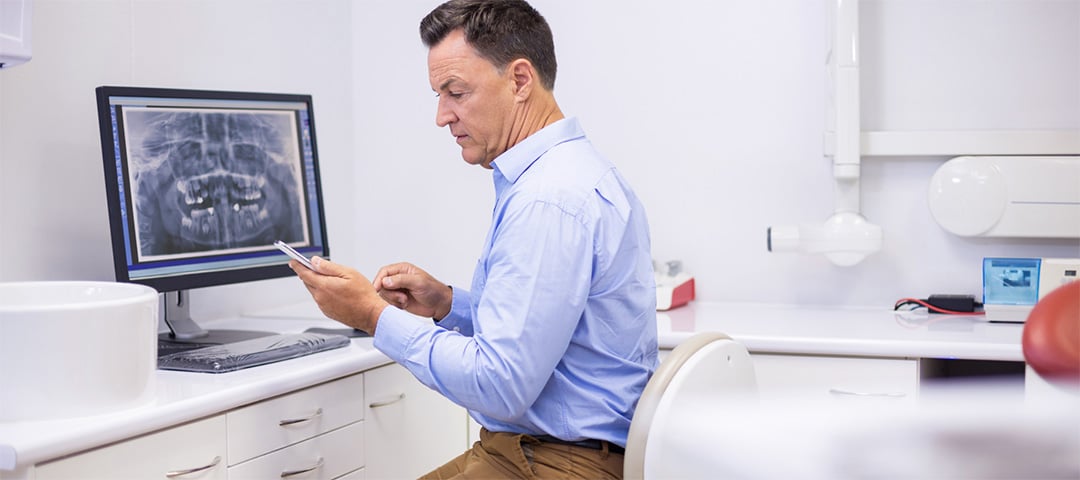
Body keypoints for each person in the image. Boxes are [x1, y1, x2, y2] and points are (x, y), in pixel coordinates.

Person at [290, 0, 657, 477]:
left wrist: (371, 315)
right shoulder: (569, 174)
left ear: (520, 80)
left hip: (556, 462)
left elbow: (499, 385)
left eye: (455, 92)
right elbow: (541, 330)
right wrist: (446, 305)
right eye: (438, 95)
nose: (443, 116)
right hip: (535, 450)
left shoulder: (549, 200)